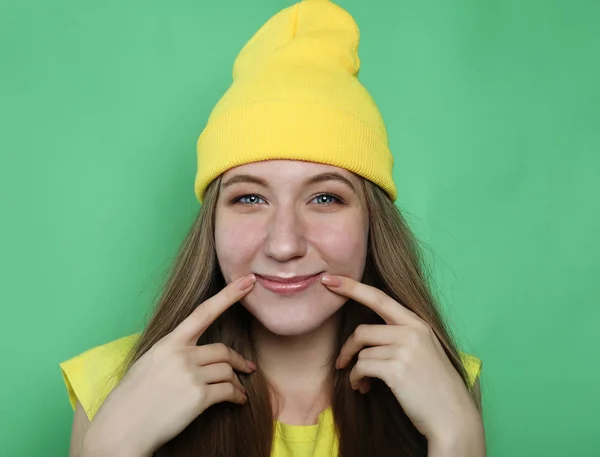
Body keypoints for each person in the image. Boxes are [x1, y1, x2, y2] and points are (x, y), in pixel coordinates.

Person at [59, 0, 485, 456]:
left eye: (325, 198)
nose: (284, 244)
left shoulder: (441, 382)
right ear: (213, 224)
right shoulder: (112, 387)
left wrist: (458, 438)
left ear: (372, 222)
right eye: (249, 198)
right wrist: (113, 446)